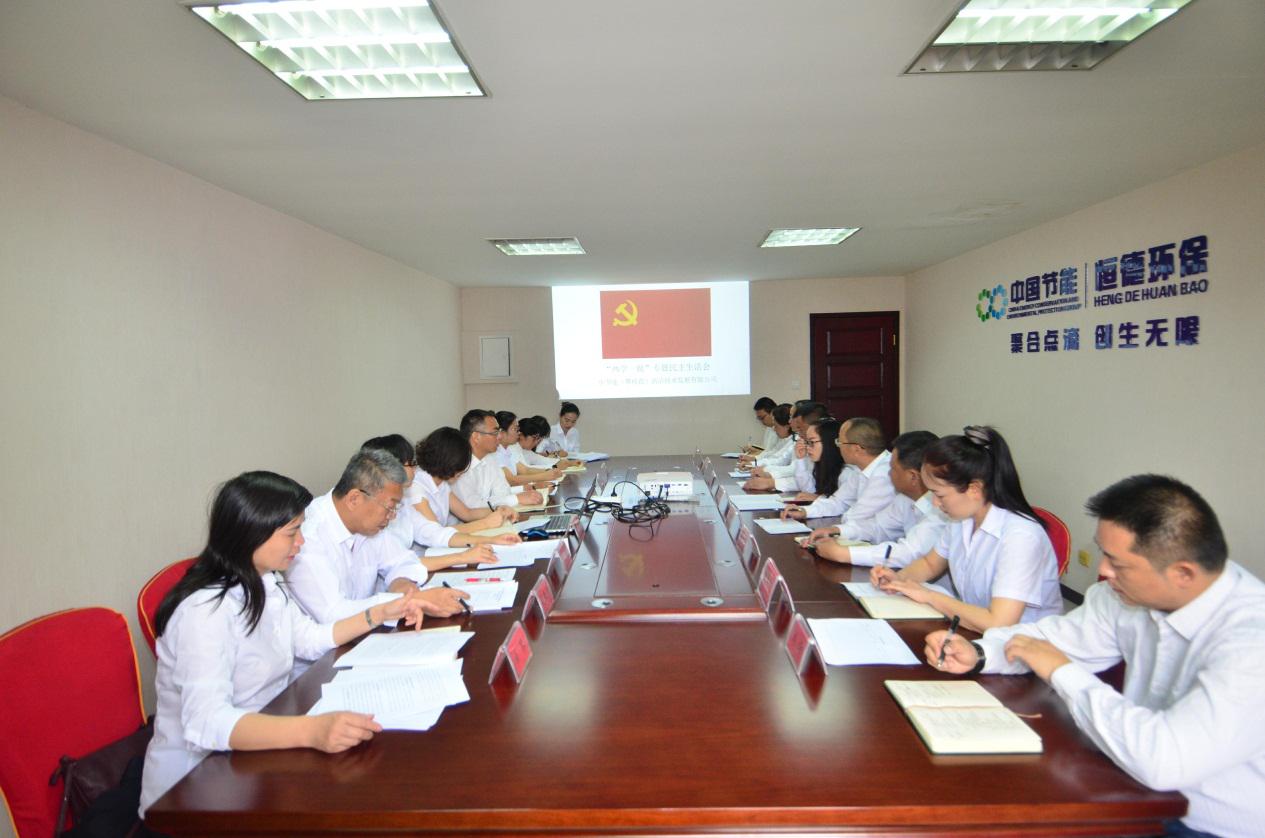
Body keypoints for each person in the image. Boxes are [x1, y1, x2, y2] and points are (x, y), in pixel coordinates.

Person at [925, 475, 1265, 838]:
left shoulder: (1250, 643)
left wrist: (1062, 671)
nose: (1103, 570)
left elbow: (1163, 760)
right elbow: (1050, 639)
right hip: (1129, 781)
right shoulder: (1125, 596)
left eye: (1118, 563)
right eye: (1103, 553)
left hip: (1206, 823)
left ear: (1183, 573)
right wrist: (979, 652)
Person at [138, 471, 430, 818]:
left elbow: (308, 639)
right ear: (251, 533)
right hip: (199, 784)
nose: (301, 543)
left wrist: (380, 613)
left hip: (265, 743)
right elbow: (207, 722)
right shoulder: (204, 611)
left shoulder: (265, 581)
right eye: (292, 532)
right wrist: (313, 730)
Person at [870, 425, 1061, 632]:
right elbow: (930, 564)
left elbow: (999, 622)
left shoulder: (1021, 536)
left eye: (939, 494)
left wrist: (929, 596)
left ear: (974, 489)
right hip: (974, 631)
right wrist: (899, 579)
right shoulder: (961, 520)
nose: (935, 503)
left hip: (1024, 643)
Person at [285, 448, 466, 626]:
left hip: (371, 633)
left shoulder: (369, 525)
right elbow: (333, 613)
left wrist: (404, 588)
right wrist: (409, 601)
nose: (392, 516)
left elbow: (403, 562)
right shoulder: (306, 537)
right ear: (354, 499)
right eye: (390, 507)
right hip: (332, 643)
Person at [359, 434, 508, 567]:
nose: (415, 468)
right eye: (410, 463)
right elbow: (401, 562)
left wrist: (493, 539)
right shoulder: (412, 490)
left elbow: (435, 532)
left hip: (419, 567)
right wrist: (465, 554)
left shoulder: (402, 503)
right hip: (420, 563)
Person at [814, 431, 950, 569]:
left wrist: (843, 553)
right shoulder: (905, 498)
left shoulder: (942, 509)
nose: (888, 473)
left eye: (893, 469)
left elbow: (908, 552)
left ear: (913, 476)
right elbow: (877, 527)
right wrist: (836, 530)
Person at [785, 417, 892, 530]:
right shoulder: (860, 470)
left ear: (856, 448)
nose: (837, 446)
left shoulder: (885, 473)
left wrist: (836, 530)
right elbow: (839, 502)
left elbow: (857, 517)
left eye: (839, 442)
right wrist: (805, 511)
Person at [452, 410, 544, 510]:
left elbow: (503, 491)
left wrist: (521, 494)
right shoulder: (459, 464)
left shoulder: (490, 457)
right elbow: (473, 507)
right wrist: (516, 499)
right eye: (495, 432)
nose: (500, 436)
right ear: (476, 437)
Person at [494, 411, 561, 487]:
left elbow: (525, 470)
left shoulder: (507, 450)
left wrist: (548, 471)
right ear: (501, 432)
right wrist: (544, 476)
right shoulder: (496, 453)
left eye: (518, 429)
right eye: (515, 429)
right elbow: (512, 480)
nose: (519, 433)